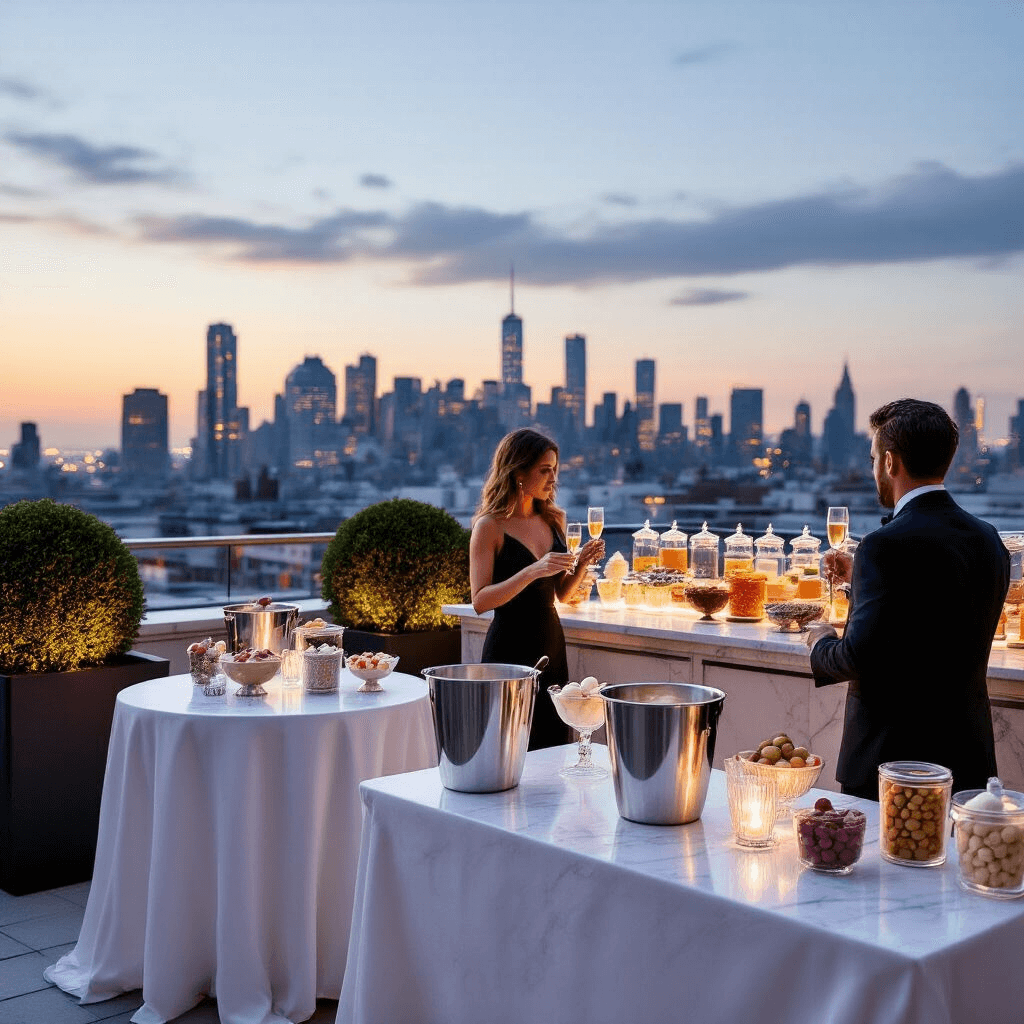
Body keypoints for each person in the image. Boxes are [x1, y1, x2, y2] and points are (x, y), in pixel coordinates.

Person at [806, 398, 1009, 799]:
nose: (873, 470)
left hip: (890, 765)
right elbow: (936, 610)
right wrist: (859, 577)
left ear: (889, 462)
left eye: (873, 459)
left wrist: (819, 640)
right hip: (967, 761)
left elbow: (856, 656)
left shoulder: (882, 546)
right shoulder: (988, 539)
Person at [470, 428, 604, 749]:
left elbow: (562, 594)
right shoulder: (489, 526)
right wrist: (533, 570)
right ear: (518, 472)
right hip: (508, 647)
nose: (553, 478)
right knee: (510, 744)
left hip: (550, 641)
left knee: (553, 741)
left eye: (555, 469)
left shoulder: (554, 520)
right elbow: (480, 600)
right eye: (545, 470)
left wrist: (582, 563)